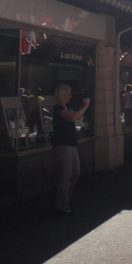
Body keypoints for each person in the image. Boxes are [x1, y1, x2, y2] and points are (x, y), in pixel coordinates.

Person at [51, 84, 90, 214]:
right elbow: (73, 117)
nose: (70, 96)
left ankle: (68, 198)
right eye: (68, 94)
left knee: (75, 172)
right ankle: (62, 204)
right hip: (62, 144)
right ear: (62, 95)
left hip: (70, 143)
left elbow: (75, 116)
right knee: (65, 175)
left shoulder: (65, 108)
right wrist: (85, 106)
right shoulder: (58, 109)